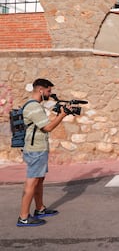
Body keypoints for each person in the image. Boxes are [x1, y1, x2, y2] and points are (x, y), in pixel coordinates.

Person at [17, 78, 69, 227]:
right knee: (31, 182)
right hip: (35, 150)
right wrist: (62, 115)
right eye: (48, 91)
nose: (49, 93)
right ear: (41, 90)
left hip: (39, 149)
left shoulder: (36, 106)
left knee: (39, 180)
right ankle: (23, 217)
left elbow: (42, 125)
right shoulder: (33, 107)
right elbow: (47, 128)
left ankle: (39, 209)